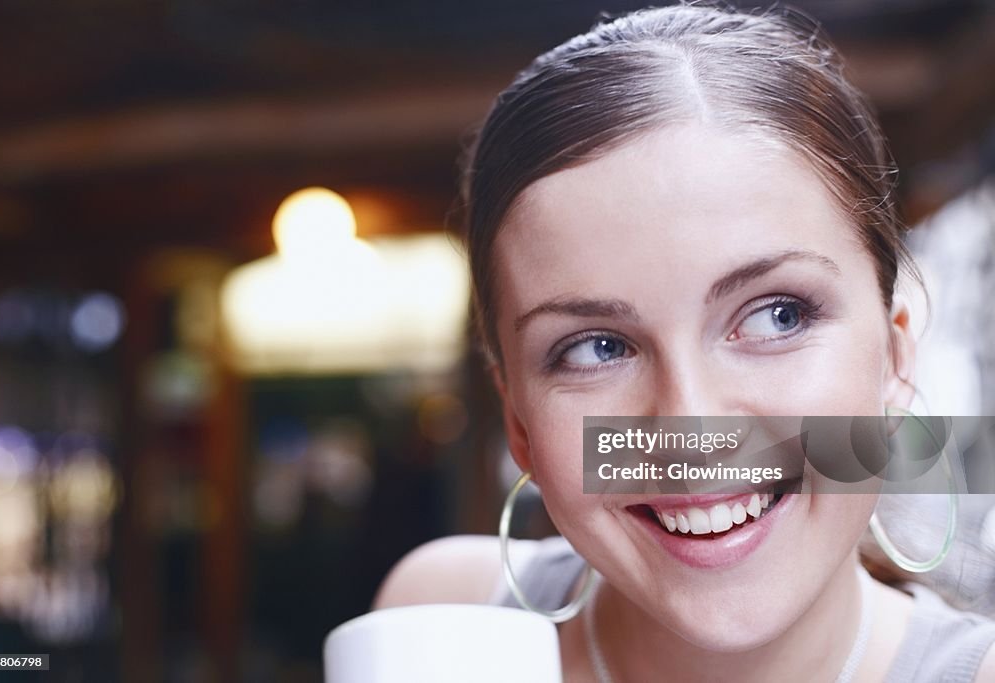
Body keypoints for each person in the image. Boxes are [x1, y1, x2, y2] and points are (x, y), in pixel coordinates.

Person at [373, 4, 995, 681]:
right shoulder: (441, 623)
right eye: (595, 348)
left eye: (776, 315)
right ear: (518, 421)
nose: (690, 425)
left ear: (897, 356)